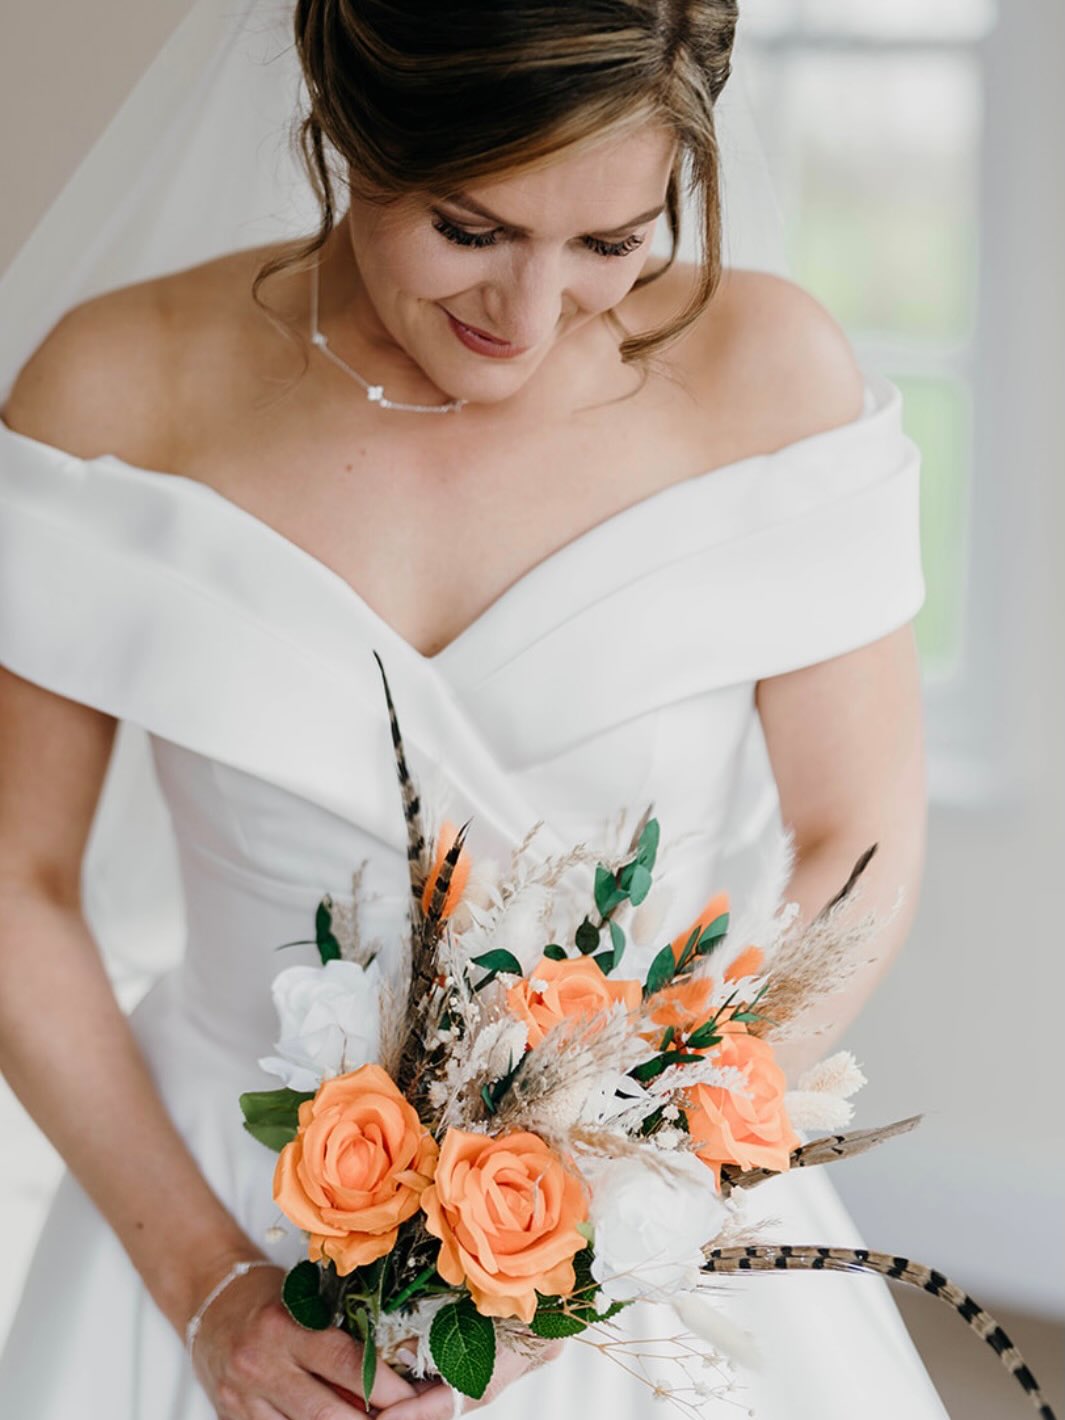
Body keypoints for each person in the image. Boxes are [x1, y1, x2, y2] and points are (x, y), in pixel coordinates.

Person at [0, 2, 948, 1417]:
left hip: (647, 1244)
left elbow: (853, 844)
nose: (530, 312)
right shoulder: (118, 387)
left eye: (613, 244)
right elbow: (16, 876)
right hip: (221, 1215)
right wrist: (209, 1287)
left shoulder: (769, 380)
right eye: (469, 230)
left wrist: (629, 1205)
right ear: (341, 129)